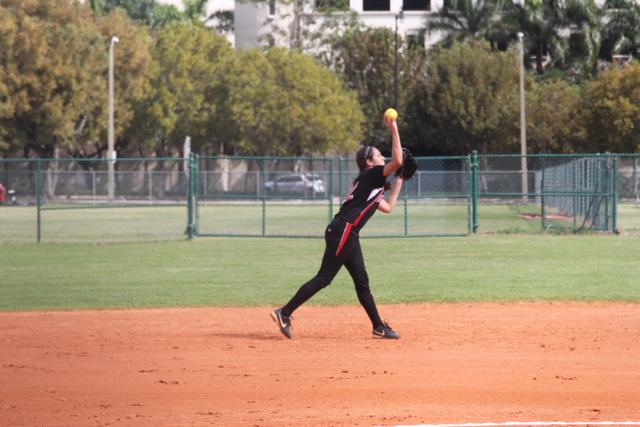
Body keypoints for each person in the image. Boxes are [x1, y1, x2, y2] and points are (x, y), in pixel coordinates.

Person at [271, 114, 405, 340]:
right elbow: (398, 160)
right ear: (369, 162)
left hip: (348, 232)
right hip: (343, 230)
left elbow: (388, 206)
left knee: (362, 281)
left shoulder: (371, 183)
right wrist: (394, 129)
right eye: (379, 155)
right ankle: (284, 312)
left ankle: (378, 327)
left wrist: (399, 181)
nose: (383, 157)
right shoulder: (371, 175)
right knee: (324, 278)